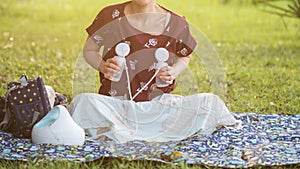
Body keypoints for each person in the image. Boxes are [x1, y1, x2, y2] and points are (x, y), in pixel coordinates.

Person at [69, 0, 237, 143]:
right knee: (82, 102)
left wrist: (173, 71)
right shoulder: (110, 15)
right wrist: (102, 66)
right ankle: (146, 132)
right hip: (115, 106)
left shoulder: (177, 24)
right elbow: (89, 50)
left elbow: (184, 56)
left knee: (210, 103)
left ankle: (124, 132)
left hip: (158, 108)